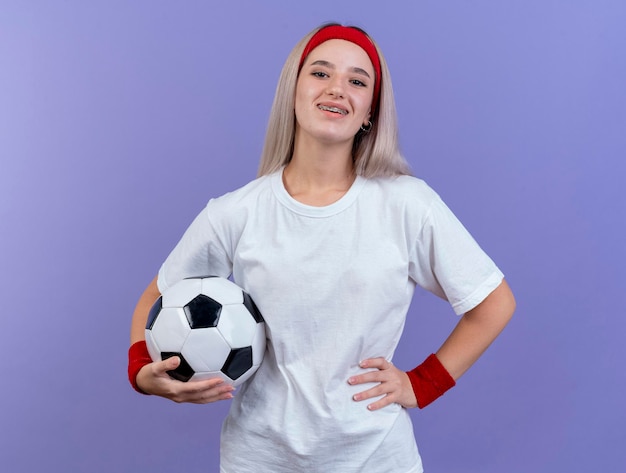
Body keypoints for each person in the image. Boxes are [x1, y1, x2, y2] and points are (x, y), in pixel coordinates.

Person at [128, 23, 516, 473]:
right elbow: (156, 296)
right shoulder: (237, 212)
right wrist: (143, 371)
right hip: (260, 457)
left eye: (357, 80)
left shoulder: (408, 204)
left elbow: (493, 303)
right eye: (320, 73)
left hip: (375, 457)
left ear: (370, 110)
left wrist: (422, 382)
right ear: (292, 91)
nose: (337, 89)